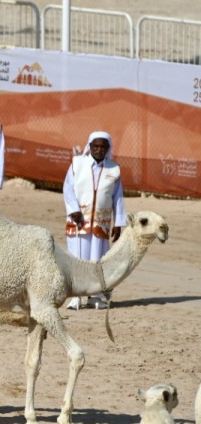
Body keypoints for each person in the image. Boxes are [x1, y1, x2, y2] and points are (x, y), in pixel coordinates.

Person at [63, 131, 125, 310]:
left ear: (108, 148)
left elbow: (118, 198)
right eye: (95, 146)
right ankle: (76, 297)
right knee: (78, 259)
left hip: (101, 223)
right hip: (79, 222)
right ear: (89, 147)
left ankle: (95, 296)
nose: (99, 150)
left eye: (103, 146)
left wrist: (118, 223)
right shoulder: (77, 164)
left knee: (97, 260)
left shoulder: (114, 169)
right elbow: (68, 188)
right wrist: (73, 210)